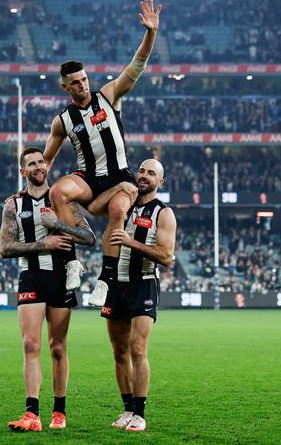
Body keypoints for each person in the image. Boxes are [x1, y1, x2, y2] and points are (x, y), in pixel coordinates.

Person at [44, 0, 162, 307]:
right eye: (75, 83)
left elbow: (137, 65)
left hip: (120, 177)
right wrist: (34, 189)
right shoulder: (62, 121)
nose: (82, 85)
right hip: (89, 179)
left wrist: (150, 33)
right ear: (64, 87)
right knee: (57, 191)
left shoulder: (108, 96)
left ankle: (105, 280)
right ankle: (72, 261)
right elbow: (46, 160)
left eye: (83, 79)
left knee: (119, 212)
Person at [0, 146, 96, 432]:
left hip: (60, 277)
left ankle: (59, 412)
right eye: (32, 163)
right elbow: (5, 248)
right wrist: (45, 243)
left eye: (41, 161)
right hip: (31, 276)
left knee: (57, 348)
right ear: (23, 171)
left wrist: (59, 226)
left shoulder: (64, 202)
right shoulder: (13, 204)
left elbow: (89, 237)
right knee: (30, 344)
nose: (39, 166)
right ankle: (31, 414)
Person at [101, 159, 176, 432]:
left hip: (143, 283)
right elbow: (94, 206)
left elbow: (166, 255)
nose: (144, 176)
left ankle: (140, 414)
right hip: (115, 284)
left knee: (137, 349)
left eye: (151, 173)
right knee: (119, 352)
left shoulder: (163, 213)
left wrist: (131, 242)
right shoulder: (123, 202)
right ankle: (127, 410)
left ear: (160, 181)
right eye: (142, 171)